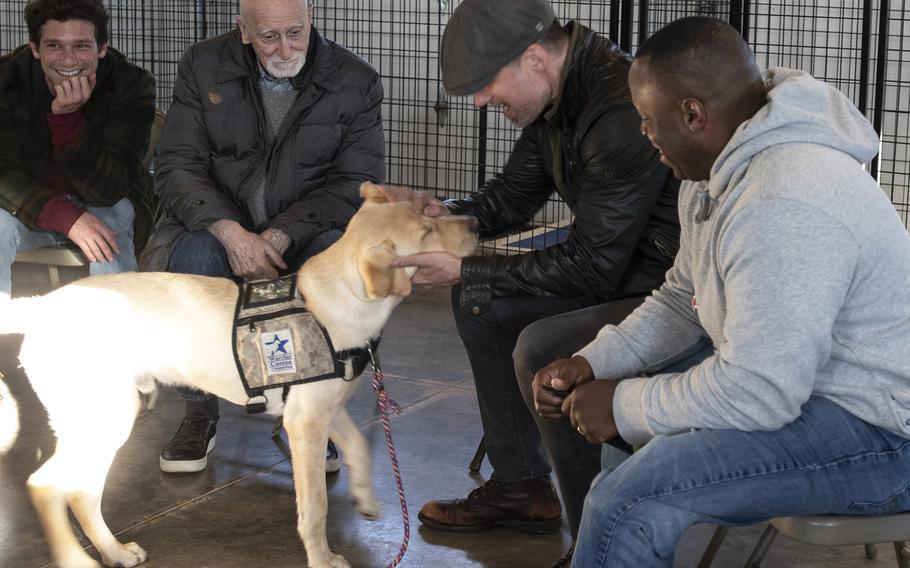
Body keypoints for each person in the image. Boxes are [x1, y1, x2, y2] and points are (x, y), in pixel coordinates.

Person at [528, 16, 910, 567]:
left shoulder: (783, 200)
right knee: (632, 465)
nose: (643, 134)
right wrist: (596, 362)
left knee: (629, 501)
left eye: (647, 119)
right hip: (814, 390)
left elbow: (759, 391)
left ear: (692, 114)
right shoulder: (716, 171)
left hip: (880, 434)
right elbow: (682, 298)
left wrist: (623, 402)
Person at [391, 0, 680, 543]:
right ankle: (522, 487)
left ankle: (597, 532)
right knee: (479, 296)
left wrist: (467, 267)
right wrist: (450, 214)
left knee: (523, 330)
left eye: (484, 84)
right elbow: (514, 195)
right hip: (617, 263)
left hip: (662, 288)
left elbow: (595, 268)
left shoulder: (615, 109)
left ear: (533, 59)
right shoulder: (561, 93)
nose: (479, 101)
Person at [142, 0, 384, 474]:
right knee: (194, 258)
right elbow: (176, 164)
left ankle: (306, 411)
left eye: (296, 32)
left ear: (311, 17)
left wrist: (281, 234)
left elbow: (355, 182)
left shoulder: (356, 79)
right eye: (269, 37)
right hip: (216, 223)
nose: (286, 48)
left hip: (305, 227)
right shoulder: (202, 65)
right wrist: (230, 232)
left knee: (335, 266)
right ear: (244, 30)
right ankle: (199, 409)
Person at [0, 0, 156, 298]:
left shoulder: (131, 85)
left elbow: (110, 188)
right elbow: (3, 171)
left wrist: (68, 120)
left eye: (81, 45)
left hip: (102, 200)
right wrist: (64, 215)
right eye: (54, 46)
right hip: (31, 203)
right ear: (35, 48)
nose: (68, 59)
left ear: (102, 48)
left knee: (111, 220)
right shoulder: (6, 80)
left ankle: (116, 331)